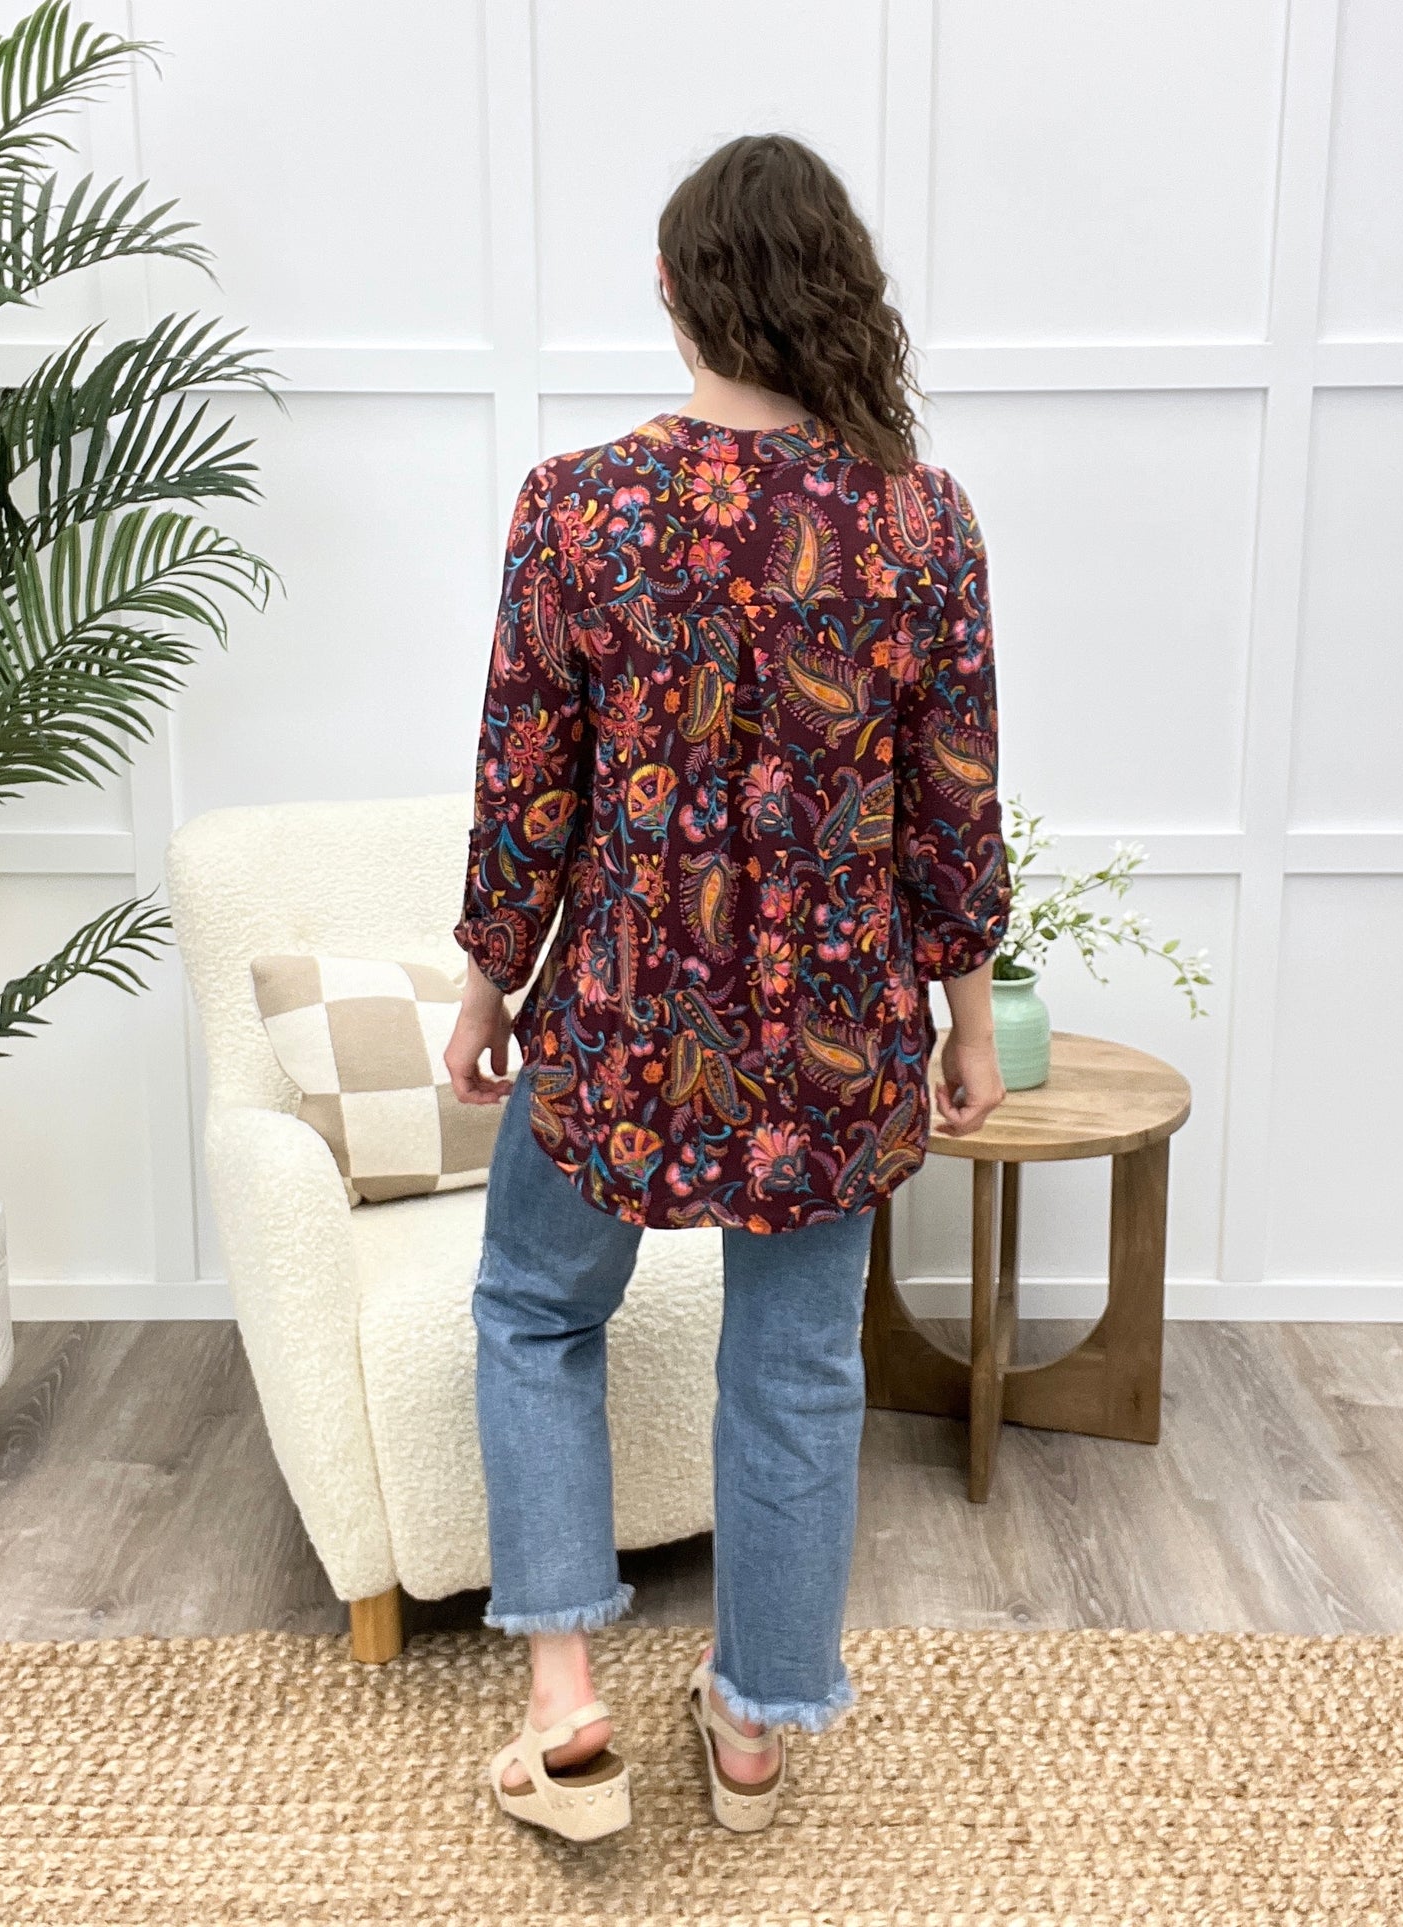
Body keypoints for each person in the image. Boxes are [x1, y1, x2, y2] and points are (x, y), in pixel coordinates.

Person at [444, 131, 1011, 1840]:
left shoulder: (579, 506)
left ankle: (565, 1713)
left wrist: (487, 985)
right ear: (840, 289)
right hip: (834, 1033)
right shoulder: (918, 518)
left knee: (535, 1313)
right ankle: (754, 1730)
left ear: (674, 290)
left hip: (621, 1016)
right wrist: (968, 1021)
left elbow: (525, 783)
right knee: (797, 1367)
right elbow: (953, 798)